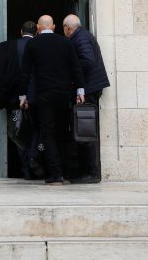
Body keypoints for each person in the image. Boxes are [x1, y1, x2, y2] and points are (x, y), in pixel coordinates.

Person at [19, 15, 85, 185]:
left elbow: (25, 72)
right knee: (63, 132)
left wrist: (23, 95)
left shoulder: (33, 43)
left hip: (45, 94)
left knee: (47, 133)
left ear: (39, 28)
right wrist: (80, 90)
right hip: (64, 94)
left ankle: (56, 174)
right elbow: (76, 67)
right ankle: (68, 172)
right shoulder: (66, 42)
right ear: (54, 26)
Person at [63, 14, 110, 183]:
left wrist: (73, 72)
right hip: (90, 87)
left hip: (89, 89)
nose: (65, 32)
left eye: (65, 29)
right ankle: (87, 172)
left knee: (86, 130)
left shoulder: (80, 38)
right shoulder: (83, 36)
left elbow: (87, 60)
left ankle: (91, 173)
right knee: (85, 129)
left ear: (68, 27)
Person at [0, 20, 41, 179]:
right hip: (35, 96)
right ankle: (34, 156)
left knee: (18, 131)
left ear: (21, 31)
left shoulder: (4, 47)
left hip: (12, 97)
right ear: (37, 32)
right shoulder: (40, 45)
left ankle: (26, 170)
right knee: (37, 129)